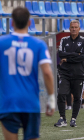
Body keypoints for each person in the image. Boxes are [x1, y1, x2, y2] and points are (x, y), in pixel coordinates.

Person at [0, 7, 55, 140]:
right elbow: (47, 72)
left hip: (8, 102)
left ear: (12, 23)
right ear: (29, 23)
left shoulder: (1, 43)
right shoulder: (38, 44)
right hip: (30, 102)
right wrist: (51, 98)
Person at [54, 20, 84, 127]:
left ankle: (73, 119)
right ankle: (62, 119)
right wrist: (75, 54)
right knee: (61, 94)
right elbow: (60, 53)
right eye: (72, 27)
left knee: (78, 97)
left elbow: (83, 57)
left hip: (78, 74)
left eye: (75, 27)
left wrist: (68, 58)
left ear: (79, 29)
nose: (73, 29)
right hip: (65, 73)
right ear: (69, 28)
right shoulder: (64, 40)